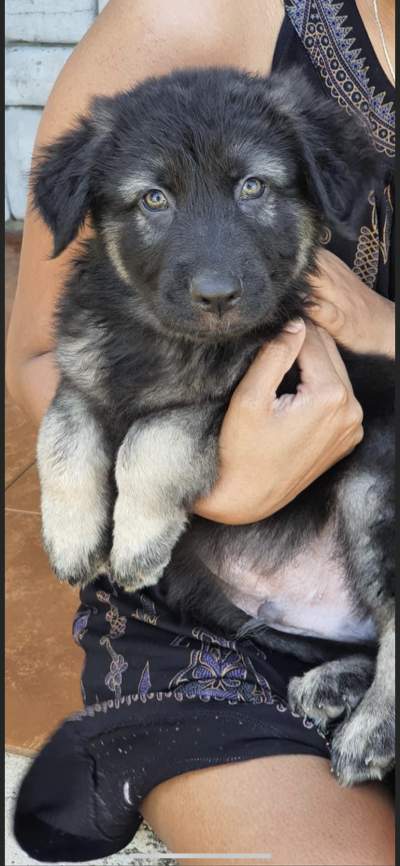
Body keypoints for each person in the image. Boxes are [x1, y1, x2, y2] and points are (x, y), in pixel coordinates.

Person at [7, 1, 395, 863]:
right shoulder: (189, 20)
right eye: (154, 200)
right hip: (201, 597)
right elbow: (44, 359)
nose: (214, 276)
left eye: (255, 188)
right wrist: (215, 484)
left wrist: (385, 330)